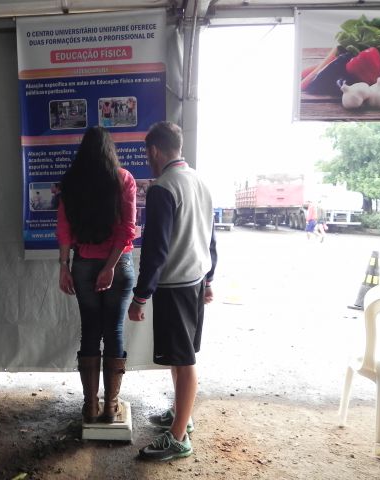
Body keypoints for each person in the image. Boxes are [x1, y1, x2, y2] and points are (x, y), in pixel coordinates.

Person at [128, 121, 217, 461]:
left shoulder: (163, 187)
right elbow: (210, 237)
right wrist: (210, 279)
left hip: (175, 284)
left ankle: (179, 437)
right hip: (195, 279)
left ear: (154, 151)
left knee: (183, 359)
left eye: (147, 154)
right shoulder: (199, 182)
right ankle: (182, 414)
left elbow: (156, 250)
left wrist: (140, 296)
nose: (147, 159)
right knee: (181, 354)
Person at [57, 126, 137, 424]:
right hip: (118, 264)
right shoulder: (123, 179)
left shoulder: (71, 183)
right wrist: (111, 266)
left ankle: (90, 406)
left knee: (90, 329)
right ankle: (110, 408)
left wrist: (64, 266)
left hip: (83, 265)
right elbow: (127, 229)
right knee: (113, 330)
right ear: (109, 150)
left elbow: (64, 230)